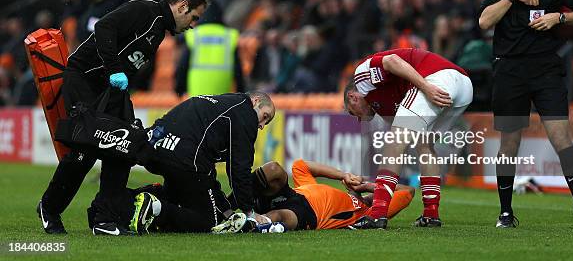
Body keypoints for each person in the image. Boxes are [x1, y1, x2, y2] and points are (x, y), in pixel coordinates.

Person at [37, 0, 209, 235]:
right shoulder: (144, 11)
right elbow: (104, 27)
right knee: (84, 150)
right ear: (183, 6)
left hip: (112, 90)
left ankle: (105, 219)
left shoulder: (158, 29)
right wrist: (114, 71)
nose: (193, 25)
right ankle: (49, 208)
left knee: (125, 148)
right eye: (194, 17)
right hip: (84, 80)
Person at [478, 0, 573, 229]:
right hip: (509, 71)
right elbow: (484, 21)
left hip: (545, 69)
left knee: (560, 137)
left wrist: (559, 17)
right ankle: (505, 212)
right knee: (509, 144)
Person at [343, 47, 473, 228]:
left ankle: (377, 214)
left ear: (353, 97)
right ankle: (431, 214)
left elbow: (392, 61)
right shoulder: (383, 105)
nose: (358, 118)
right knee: (424, 145)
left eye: (352, 112)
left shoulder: (361, 78)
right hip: (464, 87)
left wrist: (426, 87)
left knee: (394, 142)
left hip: (438, 78)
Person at [123, 91, 275, 234]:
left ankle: (117, 202)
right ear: (255, 101)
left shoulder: (223, 104)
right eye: (265, 116)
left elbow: (207, 173)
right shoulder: (245, 114)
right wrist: (249, 211)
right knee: (209, 220)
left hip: (155, 147)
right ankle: (157, 208)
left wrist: (227, 210)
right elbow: (239, 168)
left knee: (176, 197)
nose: (262, 125)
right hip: (185, 159)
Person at [213, 159, 414, 233]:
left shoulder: (369, 214)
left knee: (282, 215)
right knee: (274, 169)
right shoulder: (313, 187)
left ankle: (251, 223)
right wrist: (343, 175)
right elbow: (302, 166)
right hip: (295, 194)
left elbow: (407, 192)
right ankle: (225, 208)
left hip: (311, 213)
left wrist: (369, 186)